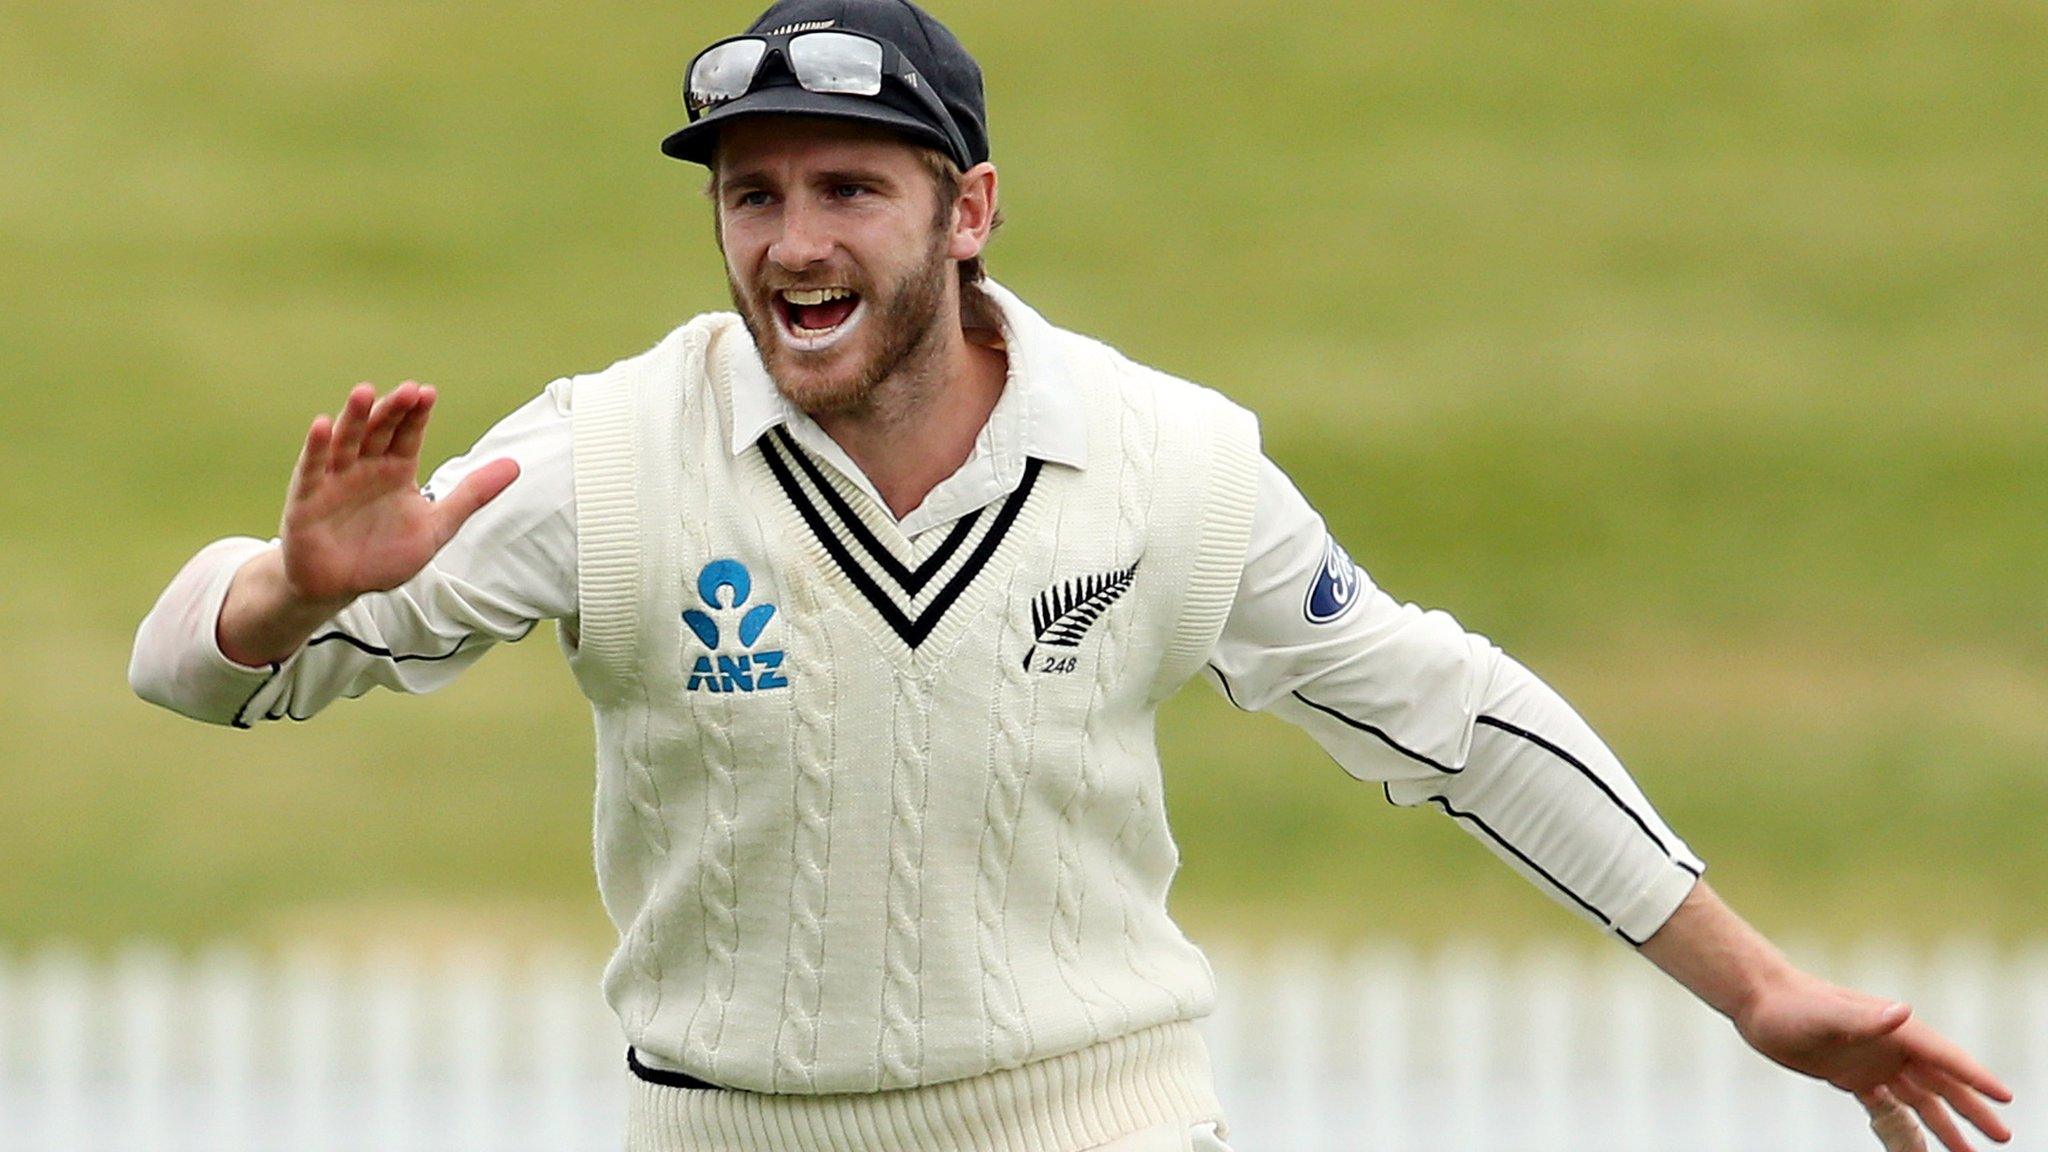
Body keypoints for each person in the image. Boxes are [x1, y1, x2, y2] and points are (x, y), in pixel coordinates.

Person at [128, 1, 2014, 1149]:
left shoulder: (1167, 460)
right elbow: (182, 668)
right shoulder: (609, 450)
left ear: (971, 209)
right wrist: (298, 597)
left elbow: (1447, 716)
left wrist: (1759, 991)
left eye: (848, 188)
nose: (790, 241)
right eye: (752, 192)